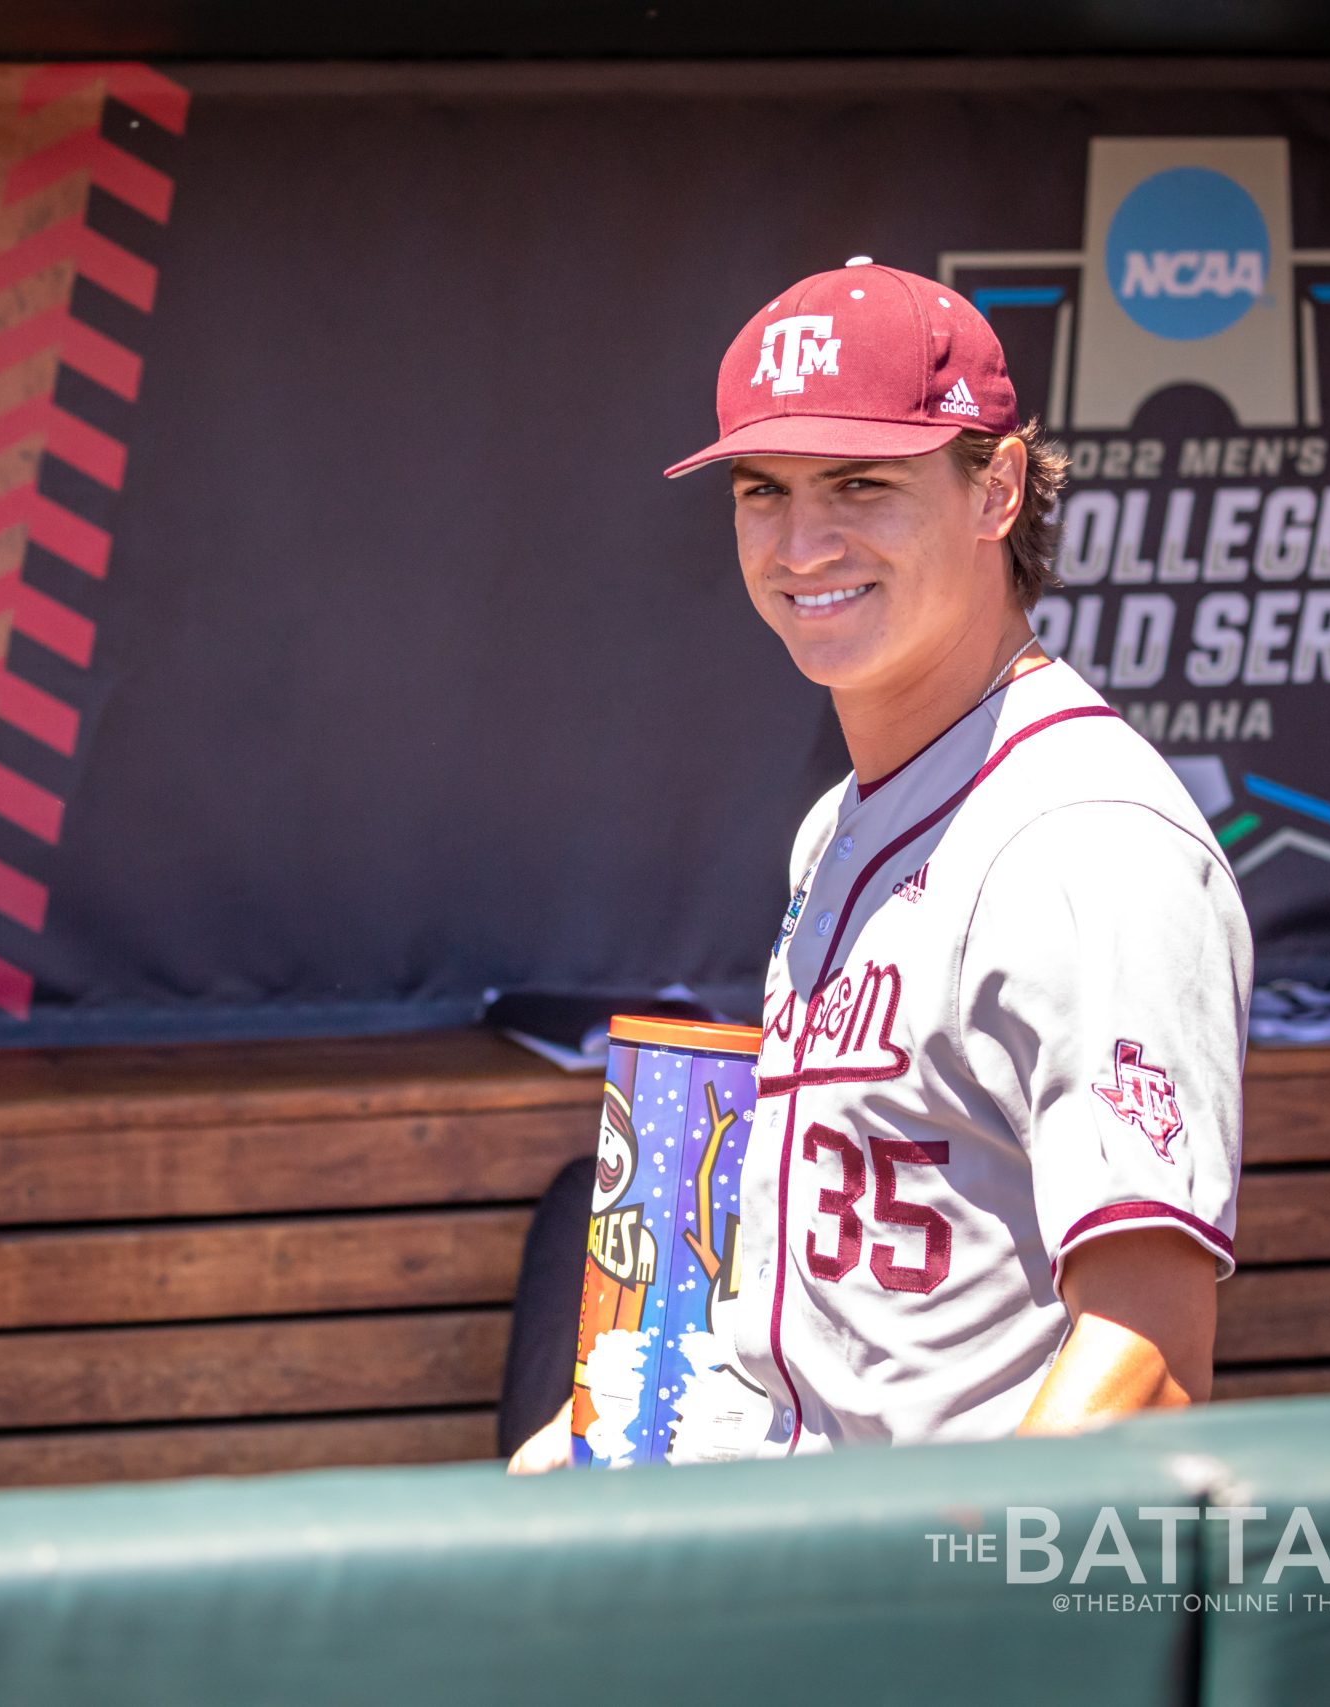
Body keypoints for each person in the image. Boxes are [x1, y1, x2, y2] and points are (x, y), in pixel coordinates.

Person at [511, 258, 1251, 1469]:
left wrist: (936, 1599)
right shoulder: (840, 822)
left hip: (928, 1597)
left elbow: (1148, 1357)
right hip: (788, 1556)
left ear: (996, 488)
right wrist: (610, 1439)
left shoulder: (1087, 841)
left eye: (860, 483)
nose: (803, 543)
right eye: (763, 490)